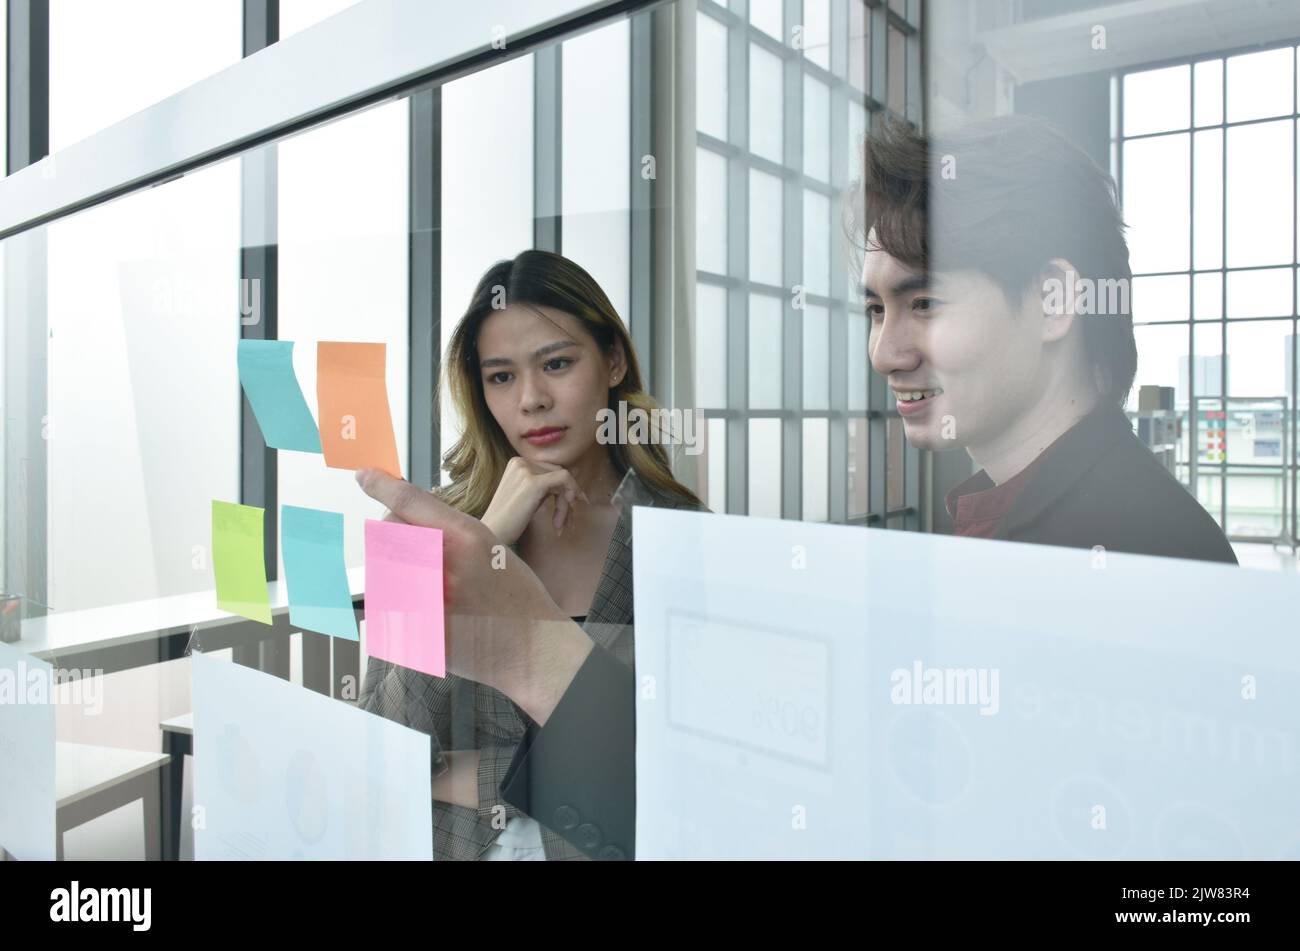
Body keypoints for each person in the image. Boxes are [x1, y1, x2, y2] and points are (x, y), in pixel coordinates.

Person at [357, 250, 702, 860]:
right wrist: (485, 539)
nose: (532, 399)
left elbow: (682, 770)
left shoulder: (683, 537)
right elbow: (378, 745)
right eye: (501, 376)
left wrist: (472, 773)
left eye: (557, 364)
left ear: (613, 361)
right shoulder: (425, 527)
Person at [849, 116, 1235, 563]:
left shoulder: (1142, 550)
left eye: (925, 304)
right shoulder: (1042, 519)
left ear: (1053, 301)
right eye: (876, 309)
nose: (884, 356)